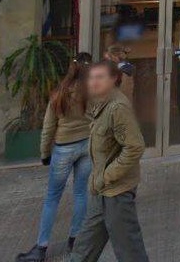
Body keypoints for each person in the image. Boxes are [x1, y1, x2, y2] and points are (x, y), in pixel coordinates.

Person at [15, 52, 93, 261]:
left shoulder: (60, 93)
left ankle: (41, 247)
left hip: (64, 147)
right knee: (80, 193)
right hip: (86, 145)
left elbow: (48, 127)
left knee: (52, 198)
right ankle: (75, 239)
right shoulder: (93, 92)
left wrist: (44, 153)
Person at [70, 60, 148, 262]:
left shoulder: (117, 107)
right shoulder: (101, 103)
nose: (94, 82)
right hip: (101, 190)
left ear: (114, 79)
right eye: (91, 77)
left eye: (100, 77)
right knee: (84, 246)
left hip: (117, 191)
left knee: (129, 251)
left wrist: (106, 176)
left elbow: (134, 147)